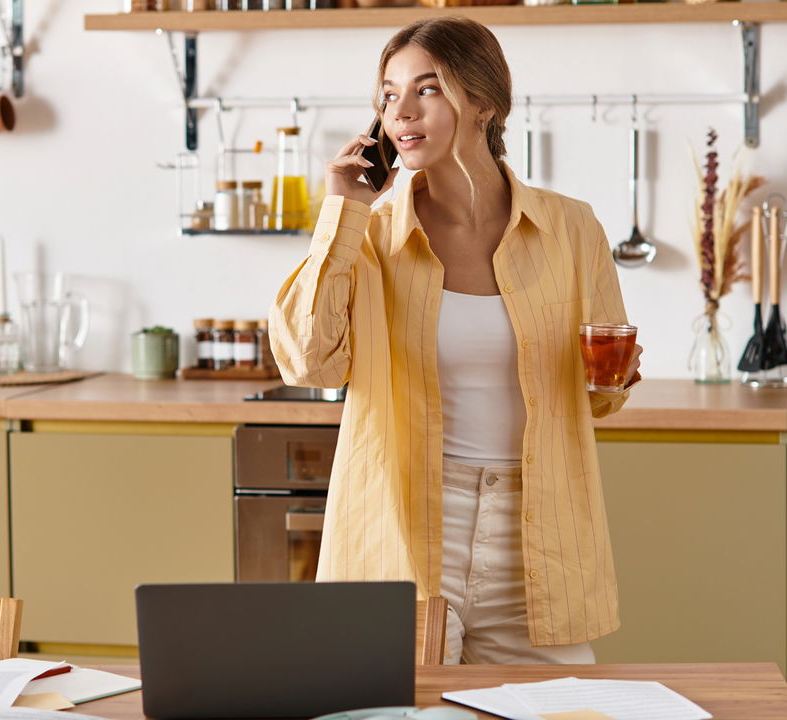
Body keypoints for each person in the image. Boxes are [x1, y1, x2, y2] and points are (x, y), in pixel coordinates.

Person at [268, 17, 643, 665]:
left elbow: (602, 397)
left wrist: (612, 379)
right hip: (408, 531)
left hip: (535, 532)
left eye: (428, 89)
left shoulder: (571, 229)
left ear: (485, 103)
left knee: (556, 712)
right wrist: (341, 212)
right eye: (388, 95)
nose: (401, 113)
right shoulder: (372, 234)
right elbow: (310, 359)